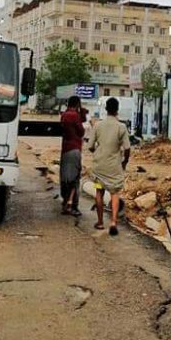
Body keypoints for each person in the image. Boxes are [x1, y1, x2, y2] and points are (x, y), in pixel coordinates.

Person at [87, 97, 130, 236]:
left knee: (99, 193)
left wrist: (98, 153)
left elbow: (90, 146)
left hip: (100, 166)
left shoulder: (98, 125)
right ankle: (113, 222)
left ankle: (100, 222)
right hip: (114, 166)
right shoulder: (121, 127)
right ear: (117, 110)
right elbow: (127, 148)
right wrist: (124, 161)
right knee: (115, 193)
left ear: (106, 109)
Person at [59, 96, 85, 217]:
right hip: (75, 149)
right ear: (77, 104)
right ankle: (73, 206)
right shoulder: (75, 115)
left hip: (65, 149)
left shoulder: (64, 115)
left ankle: (65, 202)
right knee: (74, 179)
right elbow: (81, 132)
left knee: (65, 179)